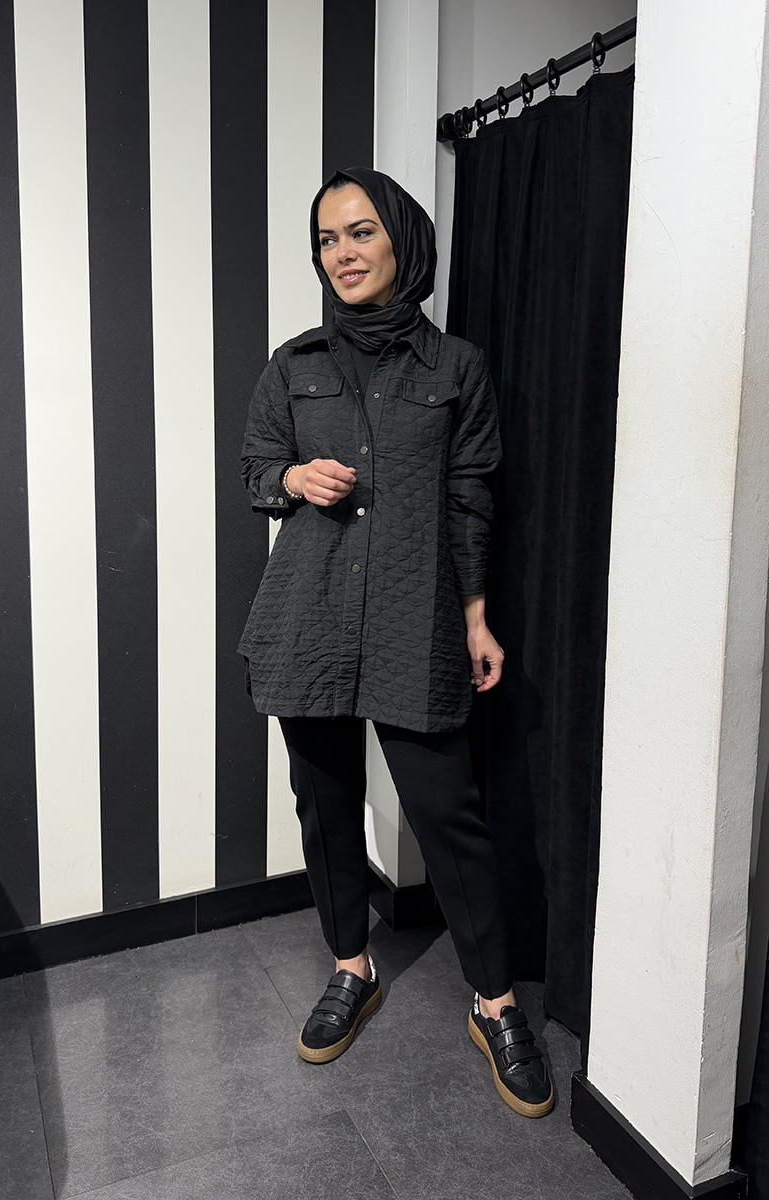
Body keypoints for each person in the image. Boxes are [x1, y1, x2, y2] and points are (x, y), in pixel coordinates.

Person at [238, 166, 553, 1118]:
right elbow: (256, 468)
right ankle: (351, 968)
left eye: (360, 231)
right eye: (327, 239)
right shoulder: (292, 363)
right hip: (309, 618)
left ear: (402, 241)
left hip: (417, 619)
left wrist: (474, 617)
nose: (342, 253)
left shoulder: (455, 367)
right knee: (325, 808)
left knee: (448, 814)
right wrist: (294, 479)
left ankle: (494, 1004)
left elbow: (470, 497)